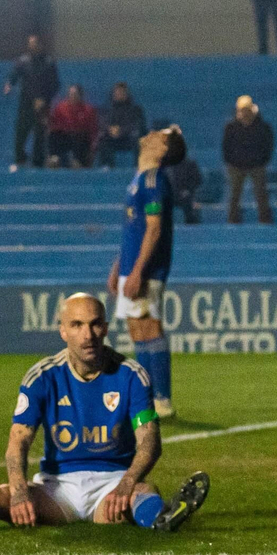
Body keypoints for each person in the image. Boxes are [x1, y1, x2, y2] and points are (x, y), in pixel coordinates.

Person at [0, 294, 209, 537]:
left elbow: (149, 443)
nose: (88, 334)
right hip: (58, 489)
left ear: (106, 328)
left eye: (95, 324)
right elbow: (18, 440)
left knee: (143, 492)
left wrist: (126, 484)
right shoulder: (41, 376)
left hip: (113, 486)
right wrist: (20, 491)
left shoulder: (131, 375)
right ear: (62, 331)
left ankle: (161, 519)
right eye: (77, 325)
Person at [109, 126, 185, 419]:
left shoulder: (153, 181)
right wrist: (119, 267)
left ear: (163, 148)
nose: (151, 133)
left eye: (159, 134)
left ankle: (162, 399)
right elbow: (135, 228)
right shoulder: (140, 179)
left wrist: (139, 269)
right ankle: (149, 399)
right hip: (132, 265)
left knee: (148, 326)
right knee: (137, 330)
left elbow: (154, 229)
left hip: (147, 268)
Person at [4, 34, 60, 171]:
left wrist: (44, 99)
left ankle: (37, 163)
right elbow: (14, 74)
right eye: (30, 44)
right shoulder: (23, 61)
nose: (32, 47)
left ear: (40, 45)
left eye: (35, 44)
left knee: (39, 134)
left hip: (42, 105)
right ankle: (20, 159)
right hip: (26, 103)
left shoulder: (49, 62)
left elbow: (55, 85)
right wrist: (9, 84)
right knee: (21, 132)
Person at [222, 95, 275, 224]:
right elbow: (226, 146)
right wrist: (232, 161)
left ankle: (265, 219)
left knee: (261, 193)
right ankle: (233, 220)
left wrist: (262, 160)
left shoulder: (262, 127)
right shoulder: (231, 128)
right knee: (234, 195)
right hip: (236, 165)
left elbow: (268, 145)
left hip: (257, 165)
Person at [47, 84, 99, 169]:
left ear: (80, 95)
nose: (73, 97)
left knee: (80, 137)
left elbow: (93, 129)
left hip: (80, 139)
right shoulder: (60, 107)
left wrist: (93, 146)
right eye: (71, 94)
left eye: (75, 94)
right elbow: (54, 125)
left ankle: (77, 161)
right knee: (54, 135)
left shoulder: (88, 110)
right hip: (65, 137)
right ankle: (54, 158)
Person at [98, 83, 148, 169]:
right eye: (117, 93)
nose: (119, 95)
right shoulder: (108, 109)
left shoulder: (135, 109)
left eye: (122, 92)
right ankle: (106, 166)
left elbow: (137, 124)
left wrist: (121, 130)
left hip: (128, 139)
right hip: (112, 138)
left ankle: (138, 167)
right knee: (103, 139)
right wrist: (110, 130)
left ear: (127, 94)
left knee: (138, 139)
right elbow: (103, 123)